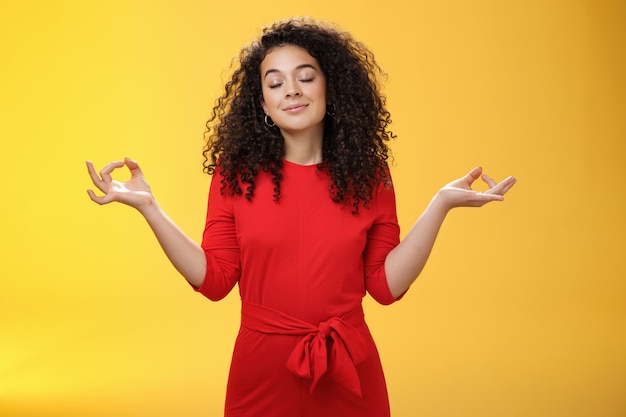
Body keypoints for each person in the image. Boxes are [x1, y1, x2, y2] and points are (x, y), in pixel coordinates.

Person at [86, 17, 516, 417]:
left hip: (350, 371)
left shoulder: (370, 175)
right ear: (264, 105)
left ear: (330, 89)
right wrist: (150, 208)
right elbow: (215, 280)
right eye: (275, 83)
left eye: (305, 77)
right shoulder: (234, 175)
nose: (291, 89)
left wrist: (439, 205)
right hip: (261, 371)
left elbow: (384, 286)